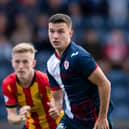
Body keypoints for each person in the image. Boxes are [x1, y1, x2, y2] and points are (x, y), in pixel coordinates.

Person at [46, 13, 114, 129]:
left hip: (93, 120)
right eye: (52, 31)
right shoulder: (50, 64)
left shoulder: (79, 57)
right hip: (70, 119)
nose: (55, 36)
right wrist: (56, 107)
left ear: (70, 33)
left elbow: (105, 84)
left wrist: (102, 118)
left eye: (61, 31)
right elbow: (57, 97)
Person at [2, 43, 63, 129]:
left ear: (33, 63)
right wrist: (20, 117)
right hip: (31, 126)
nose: (20, 66)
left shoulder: (46, 81)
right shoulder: (8, 84)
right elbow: (11, 117)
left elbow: (57, 102)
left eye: (25, 61)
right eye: (17, 61)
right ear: (12, 63)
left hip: (56, 126)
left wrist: (55, 108)